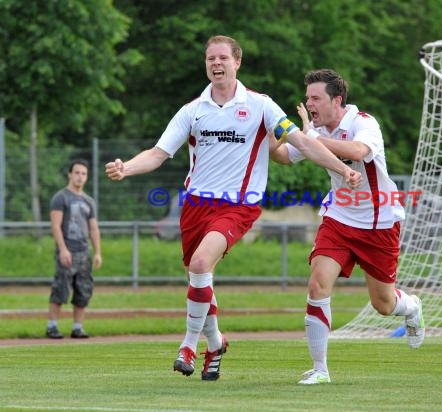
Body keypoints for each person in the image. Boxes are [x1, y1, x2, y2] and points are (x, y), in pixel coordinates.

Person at [105, 35, 362, 381]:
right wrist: (127, 167)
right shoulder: (193, 110)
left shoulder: (261, 106)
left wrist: (343, 168)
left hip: (237, 207)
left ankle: (188, 344)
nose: (216, 63)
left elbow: (301, 142)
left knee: (199, 264)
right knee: (200, 279)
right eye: (210, 58)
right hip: (195, 205)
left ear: (237, 62)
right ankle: (215, 341)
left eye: (223, 57)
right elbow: (158, 153)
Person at [270, 69, 425, 385]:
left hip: (378, 223)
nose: (309, 103)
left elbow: (356, 152)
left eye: (316, 98)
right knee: (317, 283)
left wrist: (308, 136)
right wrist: (269, 134)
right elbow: (285, 156)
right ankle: (320, 369)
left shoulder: (362, 122)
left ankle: (411, 307)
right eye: (308, 97)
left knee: (383, 304)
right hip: (339, 218)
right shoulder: (314, 130)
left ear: (336, 100)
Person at [46, 159, 102, 339]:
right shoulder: (61, 197)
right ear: (70, 174)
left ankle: (77, 327)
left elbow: (93, 228)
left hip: (84, 252)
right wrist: (62, 249)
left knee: (83, 289)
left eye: (83, 174)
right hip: (67, 250)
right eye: (77, 173)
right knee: (61, 288)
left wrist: (97, 252)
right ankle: (52, 326)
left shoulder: (89, 201)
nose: (80, 177)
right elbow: (55, 226)